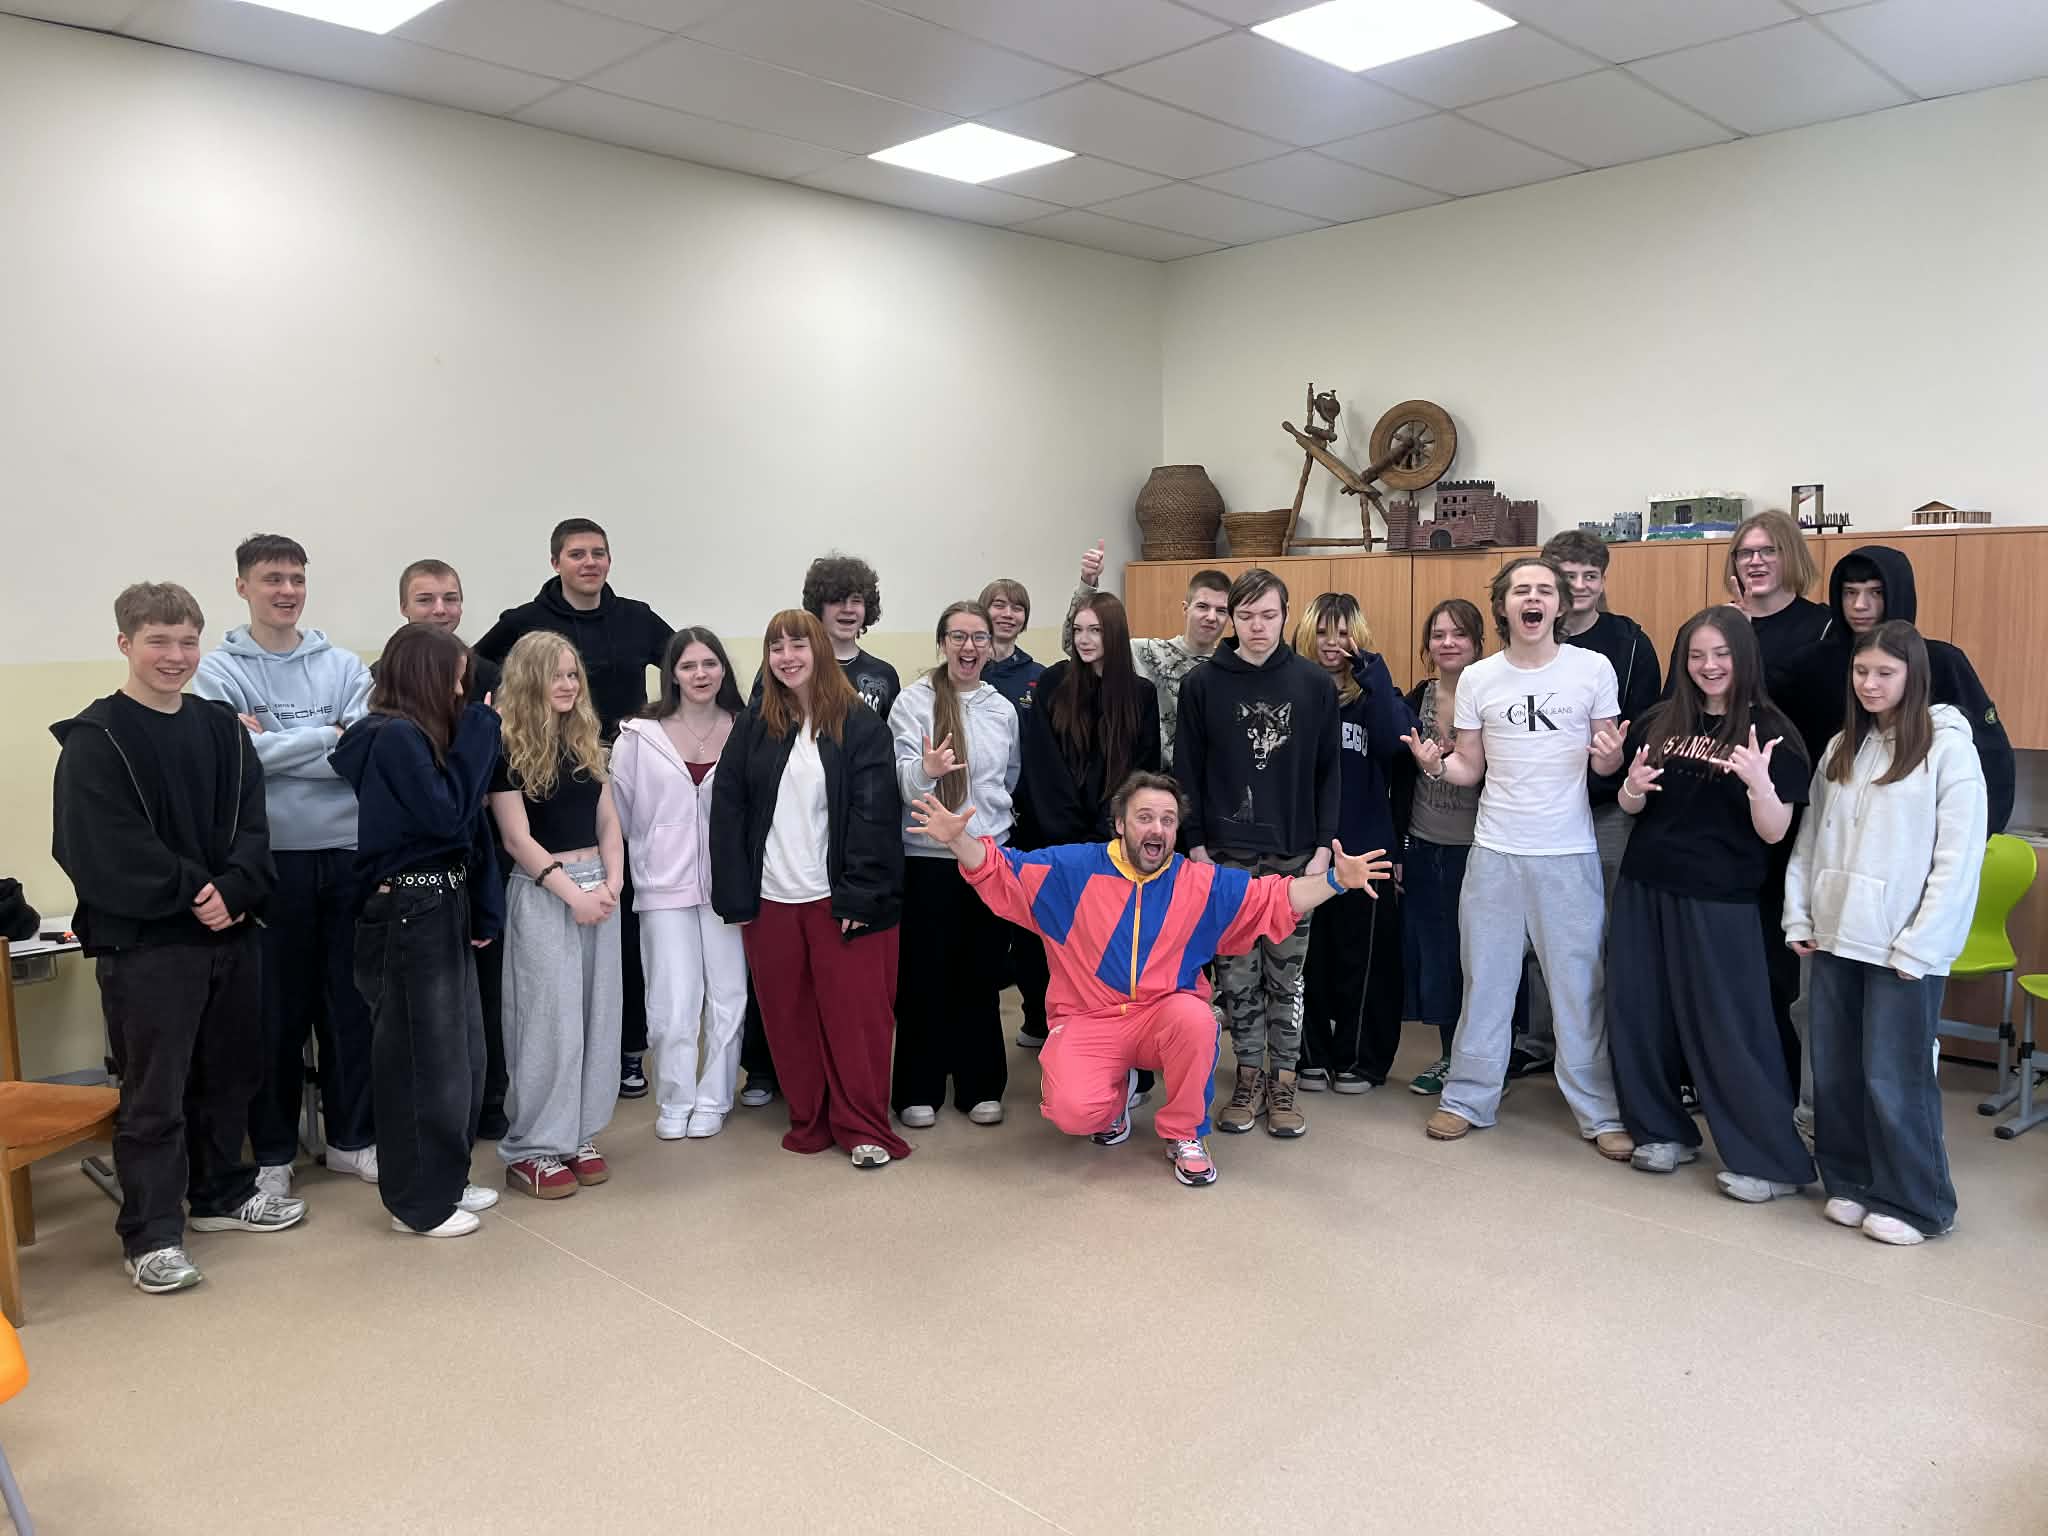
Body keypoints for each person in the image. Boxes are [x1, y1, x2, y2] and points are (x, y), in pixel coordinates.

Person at [910, 773, 1393, 1187]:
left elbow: (1273, 898)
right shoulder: (1070, 870)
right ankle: (1115, 1101)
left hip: (1164, 1017)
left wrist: (1335, 881)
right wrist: (957, 840)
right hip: (1088, 1018)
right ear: (1120, 824)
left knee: (1197, 1020)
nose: (1157, 828)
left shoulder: (1197, 882)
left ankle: (1185, 1133)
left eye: (1167, 819)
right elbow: (1001, 871)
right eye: (1144, 817)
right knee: (1072, 1112)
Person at [52, 582, 302, 1296]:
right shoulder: (97, 740)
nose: (175, 656)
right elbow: (98, 846)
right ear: (125, 644)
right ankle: (152, 1233)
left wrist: (237, 888)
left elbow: (254, 826)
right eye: (158, 641)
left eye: (188, 641)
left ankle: (222, 1193)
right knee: (155, 1095)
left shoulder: (221, 729)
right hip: (149, 945)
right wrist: (198, 891)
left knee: (230, 1075)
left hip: (231, 934)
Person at [1402, 555, 1632, 1158]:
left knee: (1579, 988)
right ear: (1504, 606)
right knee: (1487, 982)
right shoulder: (1480, 679)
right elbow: (1469, 767)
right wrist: (1434, 764)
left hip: (1568, 853)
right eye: (1521, 590)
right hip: (1495, 853)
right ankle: (1466, 1098)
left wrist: (1611, 757)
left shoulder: (1593, 669)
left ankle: (1599, 1110)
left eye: (1544, 590)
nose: (1533, 599)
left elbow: (1605, 761)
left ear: (1560, 605)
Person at [1785, 620, 1987, 1244]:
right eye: (1861, 671)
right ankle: (1850, 1182)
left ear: (1913, 676)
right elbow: (1810, 840)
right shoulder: (1842, 747)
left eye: (1884, 673)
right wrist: (1800, 913)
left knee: (1894, 1077)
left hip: (1902, 946)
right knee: (1837, 1071)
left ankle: (1920, 1203)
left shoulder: (1948, 749)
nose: (1869, 684)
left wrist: (1922, 944)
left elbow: (1958, 859)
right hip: (1836, 933)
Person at [1606, 607, 1816, 1201]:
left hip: (1720, 896)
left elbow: (1775, 831)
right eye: (1697, 655)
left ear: (1743, 656)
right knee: (1639, 1013)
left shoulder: (1771, 731)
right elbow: (1631, 805)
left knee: (1729, 1027)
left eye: (1721, 654)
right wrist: (1630, 787)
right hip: (1645, 883)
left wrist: (1760, 785)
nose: (1709, 666)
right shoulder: (1661, 720)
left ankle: (1771, 1162)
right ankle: (1660, 1130)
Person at [193, 534, 376, 1196]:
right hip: (270, 864)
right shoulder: (216, 671)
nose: (287, 591)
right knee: (274, 1014)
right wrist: (328, 735)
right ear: (243, 586)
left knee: (351, 1006)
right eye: (273, 579)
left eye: (297, 578)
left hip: (347, 854)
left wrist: (275, 743)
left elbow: (360, 752)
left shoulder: (346, 666)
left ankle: (352, 1141)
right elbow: (236, 761)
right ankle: (272, 1152)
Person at [474, 518, 671, 1101]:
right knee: (549, 983)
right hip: (542, 799)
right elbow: (471, 667)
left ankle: (626, 1052)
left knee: (618, 938)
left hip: (605, 770)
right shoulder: (523, 623)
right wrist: (492, 719)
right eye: (577, 553)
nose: (590, 562)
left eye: (598, 553)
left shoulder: (635, 617)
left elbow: (686, 662)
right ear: (556, 561)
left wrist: (660, 726)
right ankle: (542, 1098)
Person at [710, 609, 908, 1169]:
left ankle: (863, 1126)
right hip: (772, 902)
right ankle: (811, 1117)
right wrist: (737, 896)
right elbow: (728, 809)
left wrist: (860, 894)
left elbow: (875, 815)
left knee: (856, 1021)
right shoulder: (755, 725)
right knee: (788, 1019)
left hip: (840, 902)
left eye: (797, 644)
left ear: (819, 649)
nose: (787, 657)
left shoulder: (860, 724)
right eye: (776, 648)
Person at [331, 624, 503, 1238]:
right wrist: (481, 728)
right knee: (421, 1062)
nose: (463, 692)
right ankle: (418, 1204)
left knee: (463, 1057)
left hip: (441, 905)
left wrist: (481, 908)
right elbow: (446, 816)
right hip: (410, 911)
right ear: (429, 677)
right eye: (456, 679)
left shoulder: (424, 737)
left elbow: (462, 829)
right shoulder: (393, 738)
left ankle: (445, 1179)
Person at [1173, 568, 1341, 1139]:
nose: (1257, 627)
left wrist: (1323, 849)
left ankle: (1283, 1079)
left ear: (1285, 616)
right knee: (1237, 976)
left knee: (1287, 977)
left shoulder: (1314, 684)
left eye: (1268, 615)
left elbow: (1329, 772)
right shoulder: (1202, 684)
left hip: (1296, 855)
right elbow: (1187, 770)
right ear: (1230, 618)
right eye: (1245, 616)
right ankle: (1247, 1075)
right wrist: (1196, 845)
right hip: (1225, 856)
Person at [737, 552, 901, 1107]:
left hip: (840, 870)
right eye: (836, 601)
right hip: (779, 879)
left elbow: (875, 796)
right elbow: (747, 782)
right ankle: (779, 1082)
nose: (847, 610)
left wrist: (861, 884)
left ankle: (854, 1104)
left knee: (850, 1001)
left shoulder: (874, 689)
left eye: (857, 600)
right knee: (783, 996)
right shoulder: (768, 699)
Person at [1512, 530, 1663, 1078]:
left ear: (1603, 581)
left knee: (1602, 930)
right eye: (1567, 576)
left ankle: (1605, 1047)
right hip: (1539, 814)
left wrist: (1618, 773)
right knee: (1538, 934)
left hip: (1607, 809)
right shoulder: (1523, 640)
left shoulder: (1628, 643)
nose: (1578, 587)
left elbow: (1647, 724)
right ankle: (1539, 1039)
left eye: (1589, 577)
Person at [490, 632, 624, 1200]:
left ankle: (578, 1133)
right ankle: (533, 1146)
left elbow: (609, 820)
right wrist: (574, 896)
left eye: (573, 674)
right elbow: (517, 839)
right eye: (556, 675)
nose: (568, 685)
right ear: (529, 679)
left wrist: (613, 881)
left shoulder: (586, 739)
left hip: (599, 889)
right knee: (548, 1021)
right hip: (545, 892)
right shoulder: (504, 746)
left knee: (598, 1016)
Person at [610, 628, 748, 1141]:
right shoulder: (638, 736)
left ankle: (715, 1098)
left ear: (723, 670)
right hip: (662, 887)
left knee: (729, 996)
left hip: (729, 886)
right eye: (689, 666)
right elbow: (620, 815)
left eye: (709, 664)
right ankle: (675, 1099)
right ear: (672, 674)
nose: (700, 674)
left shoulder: (746, 728)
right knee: (672, 1001)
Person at [887, 601, 1021, 1128]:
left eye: (979, 637)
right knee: (924, 977)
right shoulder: (912, 702)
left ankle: (980, 1085)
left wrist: (986, 830)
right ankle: (918, 1088)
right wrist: (927, 769)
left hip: (987, 858)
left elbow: (1008, 779)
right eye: (959, 637)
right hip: (928, 862)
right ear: (942, 643)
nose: (969, 647)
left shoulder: (1001, 708)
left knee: (980, 975)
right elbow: (901, 783)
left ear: (990, 646)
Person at [1013, 591, 1161, 1053]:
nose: (1084, 639)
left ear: (1114, 634)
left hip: (1111, 843)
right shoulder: (1053, 683)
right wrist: (1068, 834)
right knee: (1049, 942)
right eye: (1078, 630)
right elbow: (1041, 765)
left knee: (1105, 945)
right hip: (1052, 839)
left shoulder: (1141, 694)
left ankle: (1107, 1040)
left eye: (1095, 630)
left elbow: (1142, 771)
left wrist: (1105, 830)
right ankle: (1049, 1028)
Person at [1776, 544, 2012, 834]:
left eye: (1875, 592)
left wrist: (1976, 835)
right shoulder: (1811, 664)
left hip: (1915, 835)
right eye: (1850, 592)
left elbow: (1992, 758)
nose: (1860, 605)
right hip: (1832, 831)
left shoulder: (1942, 663)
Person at [394, 558, 508, 1138]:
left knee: (484, 991)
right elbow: (428, 798)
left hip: (481, 852)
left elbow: (505, 759)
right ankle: (435, 1125)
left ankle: (489, 1104)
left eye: (451, 598)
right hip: (418, 873)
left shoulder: (489, 673)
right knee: (429, 1010)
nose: (440, 610)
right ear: (404, 608)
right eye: (426, 599)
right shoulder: (388, 686)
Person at [1294, 593, 1413, 1094]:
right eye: (1323, 632)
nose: (1332, 643)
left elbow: (1397, 744)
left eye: (1343, 633)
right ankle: (1310, 1054)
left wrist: (1374, 676)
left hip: (1368, 849)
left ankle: (1360, 1059)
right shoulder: (1293, 691)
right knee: (1306, 958)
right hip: (1304, 851)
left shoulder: (1376, 697)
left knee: (1365, 962)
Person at [1396, 599, 1486, 1097]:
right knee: (1438, 956)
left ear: (1478, 642)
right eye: (1438, 634)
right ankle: (1451, 1056)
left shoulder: (1494, 695)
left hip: (1481, 847)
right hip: (1425, 843)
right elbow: (1396, 778)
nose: (1447, 643)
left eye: (1459, 634)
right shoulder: (1416, 700)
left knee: (1481, 958)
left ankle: (1490, 1059)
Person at [1071, 540, 1230, 759]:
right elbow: (1075, 645)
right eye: (1202, 606)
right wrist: (1087, 584)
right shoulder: (1147, 653)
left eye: (1221, 610)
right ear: (1185, 608)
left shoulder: (1230, 669)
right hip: (1151, 771)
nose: (1211, 617)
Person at [1724, 511, 1830, 687]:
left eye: (1769, 551)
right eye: (1745, 553)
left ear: (1793, 556)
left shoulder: (1824, 627)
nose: (1755, 561)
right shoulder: (1714, 626)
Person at [979, 577, 1043, 708]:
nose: (1008, 614)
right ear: (982, 612)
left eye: (1017, 608)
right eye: (999, 606)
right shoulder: (965, 671)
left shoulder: (1040, 676)